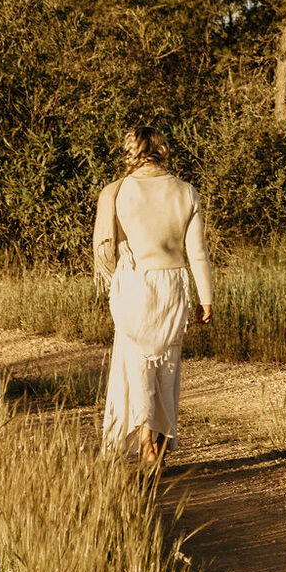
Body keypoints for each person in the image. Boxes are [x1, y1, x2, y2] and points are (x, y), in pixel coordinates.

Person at [93, 124, 213, 464]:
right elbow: (198, 252)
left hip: (133, 281)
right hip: (173, 284)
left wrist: (115, 276)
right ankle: (157, 448)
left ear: (131, 150)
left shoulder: (116, 192)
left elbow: (103, 250)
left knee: (136, 364)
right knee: (167, 366)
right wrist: (206, 297)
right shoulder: (187, 192)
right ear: (162, 149)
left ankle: (142, 434)